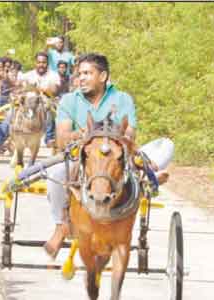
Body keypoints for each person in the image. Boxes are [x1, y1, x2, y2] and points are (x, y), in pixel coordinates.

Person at [44, 53, 173, 259]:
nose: (81, 78)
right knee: (57, 172)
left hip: (116, 157)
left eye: (87, 73)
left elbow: (130, 133)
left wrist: (113, 140)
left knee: (166, 145)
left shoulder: (122, 99)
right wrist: (88, 136)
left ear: (102, 76)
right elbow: (62, 139)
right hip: (82, 156)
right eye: (80, 74)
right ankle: (62, 226)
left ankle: (148, 177)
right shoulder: (69, 100)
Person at [22, 51, 61, 148]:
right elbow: (20, 87)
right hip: (28, 102)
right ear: (35, 63)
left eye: (44, 62)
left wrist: (40, 89)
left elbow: (54, 90)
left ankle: (49, 138)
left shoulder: (54, 75)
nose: (41, 65)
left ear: (47, 63)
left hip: (46, 101)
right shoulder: (28, 75)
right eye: (39, 62)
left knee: (51, 110)